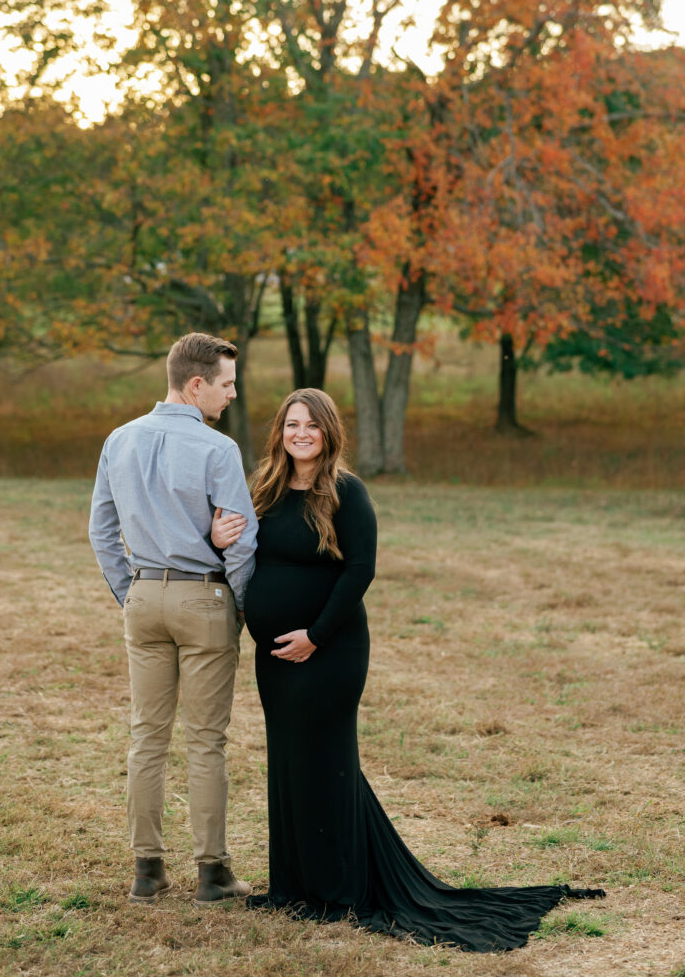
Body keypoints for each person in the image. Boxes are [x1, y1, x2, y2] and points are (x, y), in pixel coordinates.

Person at [211, 388, 603, 952]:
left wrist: (315, 637)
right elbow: (244, 552)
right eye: (291, 424)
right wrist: (216, 538)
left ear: (328, 433)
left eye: (311, 426)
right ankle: (296, 886)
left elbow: (360, 572)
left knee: (327, 758)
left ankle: (338, 890)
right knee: (291, 762)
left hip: (330, 652)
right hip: (275, 658)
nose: (300, 434)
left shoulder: (347, 491)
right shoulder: (264, 489)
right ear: (279, 431)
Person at [89, 332, 259, 906]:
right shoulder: (219, 449)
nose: (232, 394)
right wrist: (235, 604)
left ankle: (147, 871)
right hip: (204, 600)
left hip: (144, 598)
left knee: (147, 737)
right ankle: (213, 873)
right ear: (196, 384)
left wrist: (129, 592)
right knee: (207, 740)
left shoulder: (119, 439)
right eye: (226, 384)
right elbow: (242, 540)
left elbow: (100, 530)